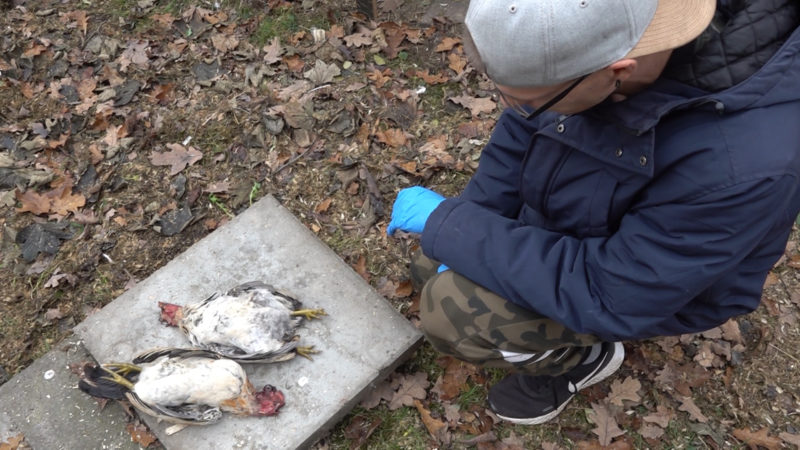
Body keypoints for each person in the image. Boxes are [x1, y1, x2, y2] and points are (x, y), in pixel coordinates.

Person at [386, 0, 800, 425]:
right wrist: (471, 216)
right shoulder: (588, 43)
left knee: (453, 312)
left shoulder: (742, 167)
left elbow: (613, 293)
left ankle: (580, 360)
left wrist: (458, 229)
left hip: (639, 287)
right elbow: (523, 129)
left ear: (618, 72)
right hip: (592, 218)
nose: (510, 108)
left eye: (528, 101)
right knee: (433, 260)